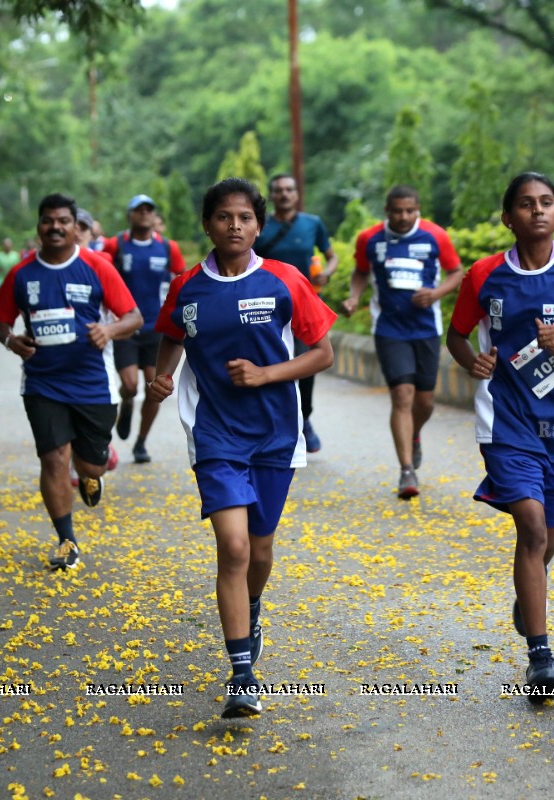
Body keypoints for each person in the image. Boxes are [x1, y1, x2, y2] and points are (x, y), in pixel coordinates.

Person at [148, 178, 336, 718]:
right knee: (231, 548)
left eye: (245, 218)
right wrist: (165, 377)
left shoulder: (284, 280)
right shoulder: (187, 287)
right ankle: (241, 675)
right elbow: (171, 336)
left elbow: (320, 352)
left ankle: (252, 608)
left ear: (258, 225)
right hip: (215, 433)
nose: (235, 226)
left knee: (259, 550)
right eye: (224, 217)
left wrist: (267, 374)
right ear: (206, 224)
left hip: (277, 432)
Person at [446, 172, 554, 698]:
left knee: (546, 537)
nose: (537, 211)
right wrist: (472, 360)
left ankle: (531, 589)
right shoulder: (484, 275)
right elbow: (456, 334)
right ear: (508, 217)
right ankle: (540, 657)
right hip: (506, 420)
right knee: (532, 527)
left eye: (546, 203)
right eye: (525, 204)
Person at [0, 194, 143, 570]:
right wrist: (12, 341)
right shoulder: (21, 274)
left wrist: (108, 330)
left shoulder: (97, 267)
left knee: (89, 465)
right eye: (48, 221)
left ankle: (93, 476)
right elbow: (1, 321)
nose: (55, 227)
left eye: (63, 221)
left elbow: (134, 317)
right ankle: (66, 540)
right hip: (42, 383)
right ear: (39, 227)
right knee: (53, 459)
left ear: (76, 227)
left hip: (93, 384)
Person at [343, 185, 463, 498]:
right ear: (387, 210)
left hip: (426, 328)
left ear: (418, 209)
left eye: (410, 211)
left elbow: (456, 272)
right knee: (402, 395)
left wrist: (436, 293)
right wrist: (355, 297)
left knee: (424, 401)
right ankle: (407, 471)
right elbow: (359, 272)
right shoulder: (369, 239)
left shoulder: (435, 236)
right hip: (389, 329)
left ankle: (414, 434)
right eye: (397, 211)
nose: (403, 216)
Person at [255, 174, 339, 453]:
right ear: (271, 195)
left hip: (305, 305)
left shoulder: (312, 223)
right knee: (270, 364)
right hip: (265, 306)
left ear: (296, 194)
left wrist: (326, 272)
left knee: (307, 365)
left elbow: (332, 255)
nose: (284, 194)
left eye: (289, 189)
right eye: (278, 190)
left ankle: (305, 417)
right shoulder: (260, 225)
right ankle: (275, 425)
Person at [105, 194, 186, 464]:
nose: (143, 214)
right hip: (126, 325)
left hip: (156, 327)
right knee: (129, 384)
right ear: (129, 215)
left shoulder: (167, 247)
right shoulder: (116, 244)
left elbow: (182, 281)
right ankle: (126, 402)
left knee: (155, 388)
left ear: (154, 216)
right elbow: (99, 271)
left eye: (148, 210)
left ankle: (141, 442)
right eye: (137, 210)